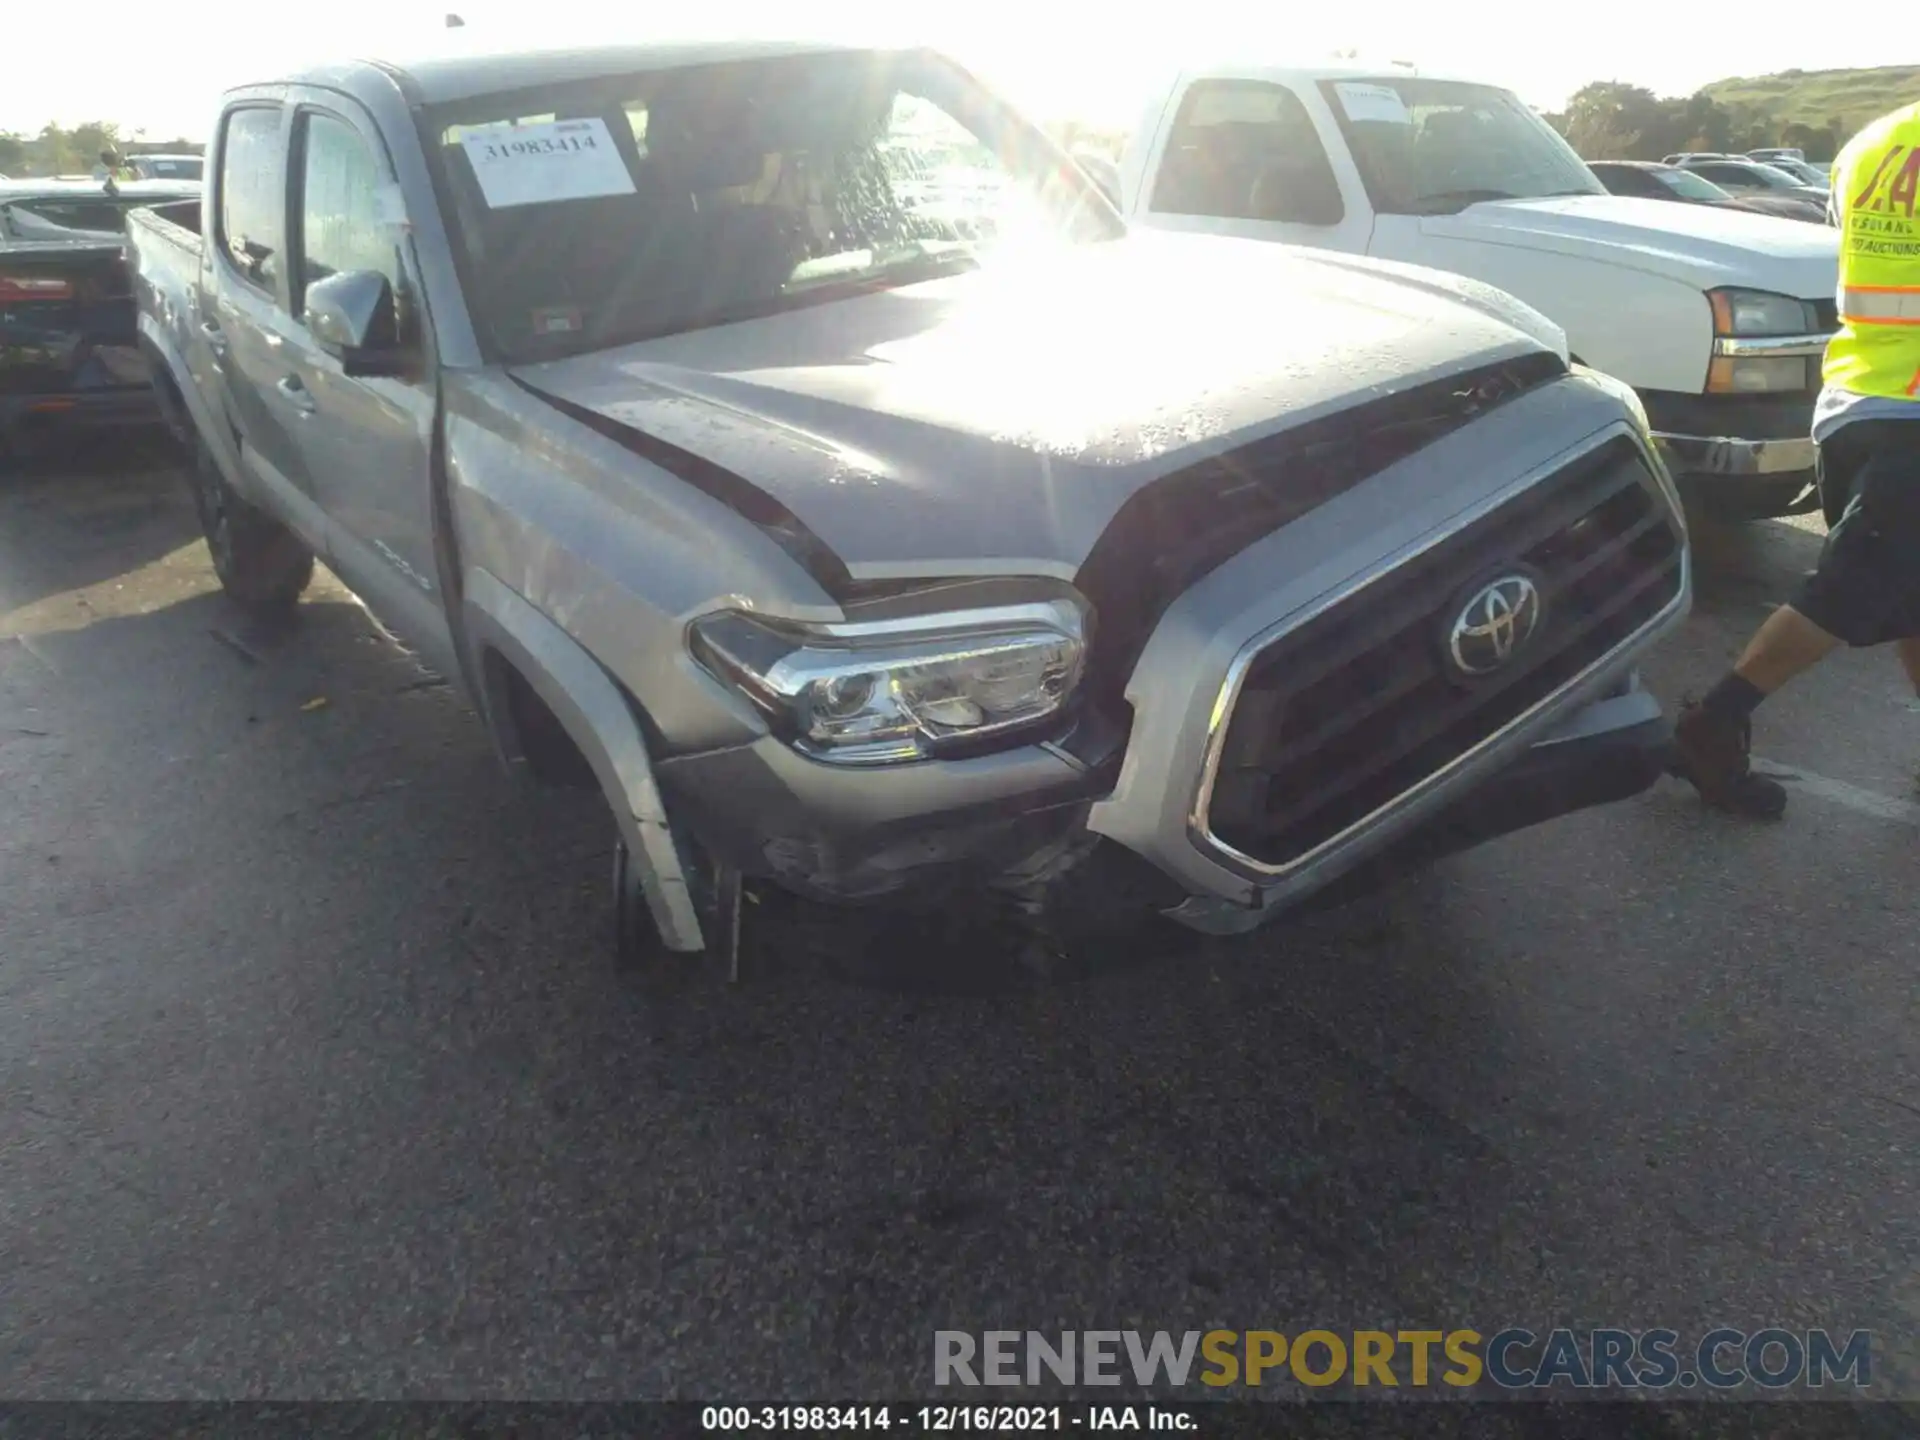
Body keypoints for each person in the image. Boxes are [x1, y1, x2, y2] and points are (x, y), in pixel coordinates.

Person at [1669, 99, 1920, 818]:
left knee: (1909, 593)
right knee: (1846, 590)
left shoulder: (1872, 142)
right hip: (1914, 418)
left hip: (1855, 400)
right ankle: (1712, 725)